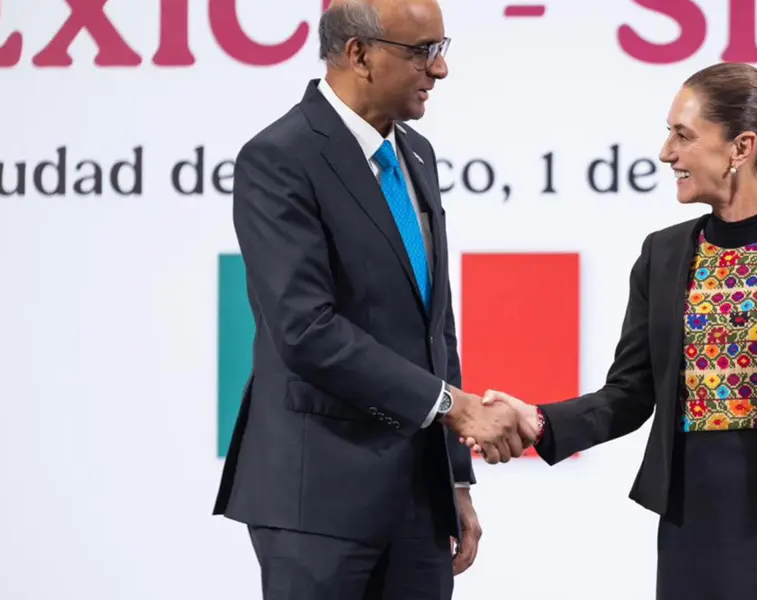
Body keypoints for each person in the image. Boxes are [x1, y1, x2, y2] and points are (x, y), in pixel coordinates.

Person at [474, 62, 757, 600]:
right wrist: (538, 420)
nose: (667, 153)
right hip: (693, 522)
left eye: (683, 135)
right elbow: (629, 392)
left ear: (740, 147)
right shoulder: (662, 254)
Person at [212, 1, 531, 598]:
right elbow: (305, 330)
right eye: (422, 52)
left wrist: (455, 480)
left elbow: (435, 326)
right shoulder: (279, 157)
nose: (439, 70)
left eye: (441, 50)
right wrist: (450, 406)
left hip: (419, 501)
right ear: (359, 54)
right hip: (317, 500)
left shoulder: (417, 154)